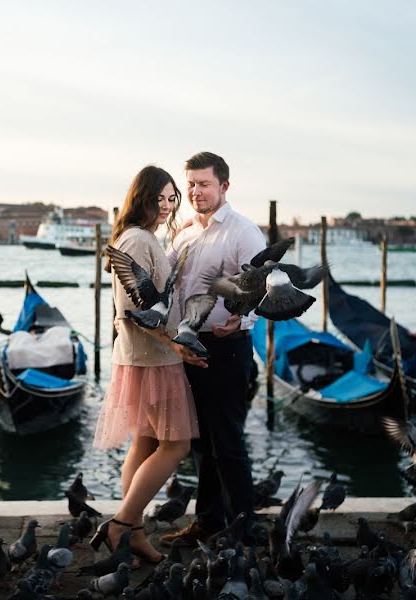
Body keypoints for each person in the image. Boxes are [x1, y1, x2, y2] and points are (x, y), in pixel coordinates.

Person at [92, 165, 206, 563]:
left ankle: (132, 532)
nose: (167, 204)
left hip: (144, 357)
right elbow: (131, 310)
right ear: (141, 197)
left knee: (145, 441)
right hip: (153, 359)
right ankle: (123, 524)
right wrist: (175, 347)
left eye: (172, 197)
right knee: (175, 445)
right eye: (159, 196)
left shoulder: (142, 238)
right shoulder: (139, 240)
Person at [159, 151, 267, 547]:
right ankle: (207, 521)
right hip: (189, 348)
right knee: (201, 441)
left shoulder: (243, 232)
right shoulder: (184, 232)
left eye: (203, 184)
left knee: (229, 441)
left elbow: (261, 285)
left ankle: (245, 528)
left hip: (228, 349)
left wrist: (244, 318)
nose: (195, 191)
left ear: (224, 186)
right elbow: (164, 280)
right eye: (190, 183)